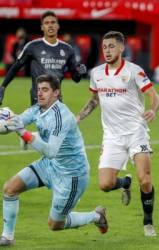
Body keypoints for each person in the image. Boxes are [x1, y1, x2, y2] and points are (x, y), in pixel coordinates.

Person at [0, 74, 108, 246]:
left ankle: (97, 216)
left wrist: (22, 132)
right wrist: (7, 118)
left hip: (71, 175)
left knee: (55, 224)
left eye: (45, 90)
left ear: (56, 93)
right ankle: (7, 237)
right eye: (38, 90)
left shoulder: (62, 117)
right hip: (50, 165)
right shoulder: (37, 109)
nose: (40, 94)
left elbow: (50, 150)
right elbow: (17, 122)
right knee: (10, 188)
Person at [76, 31, 159, 237]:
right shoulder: (96, 74)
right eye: (104, 47)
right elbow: (95, 100)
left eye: (111, 46)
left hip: (136, 132)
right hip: (112, 136)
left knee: (145, 180)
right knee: (105, 184)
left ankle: (148, 222)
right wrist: (77, 118)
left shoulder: (134, 71)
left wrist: (153, 109)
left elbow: (152, 94)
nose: (107, 50)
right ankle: (125, 183)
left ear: (121, 48)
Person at [0, 11, 86, 106]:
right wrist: (3, 87)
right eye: (46, 23)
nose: (50, 25)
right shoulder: (32, 46)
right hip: (38, 99)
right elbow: (16, 67)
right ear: (42, 27)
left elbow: (76, 78)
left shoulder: (68, 49)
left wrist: (79, 72)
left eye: (53, 22)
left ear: (58, 26)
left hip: (56, 99)